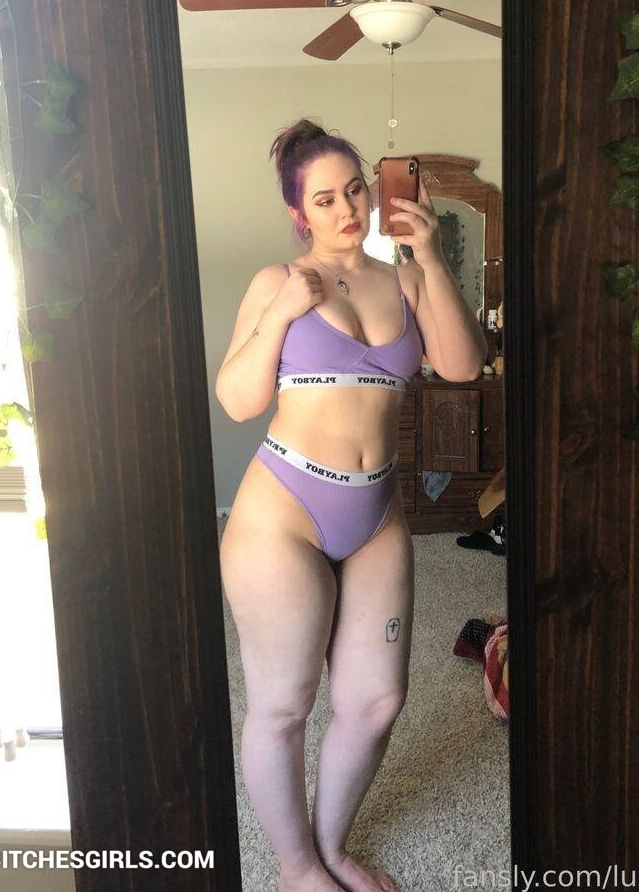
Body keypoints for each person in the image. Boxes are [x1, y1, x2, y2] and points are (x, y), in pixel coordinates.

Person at [216, 119, 487, 892]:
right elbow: (237, 400)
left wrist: (430, 258)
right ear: (299, 211)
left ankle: (332, 847)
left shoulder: (404, 278)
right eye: (325, 198)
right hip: (283, 515)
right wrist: (279, 314)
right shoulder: (278, 281)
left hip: (376, 514)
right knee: (283, 706)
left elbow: (462, 367)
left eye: (355, 190)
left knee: (376, 701)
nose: (346, 209)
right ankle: (296, 867)